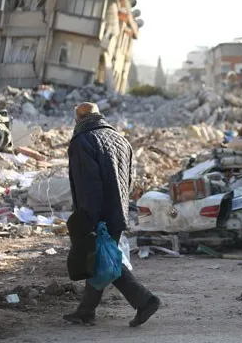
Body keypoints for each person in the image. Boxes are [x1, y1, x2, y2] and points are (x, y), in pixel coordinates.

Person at [63, 102, 161, 326]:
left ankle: (145, 301)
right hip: (118, 211)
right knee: (100, 260)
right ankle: (86, 311)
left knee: (106, 262)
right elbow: (128, 181)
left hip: (97, 214)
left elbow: (88, 184)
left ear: (78, 120)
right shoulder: (120, 139)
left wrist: (88, 219)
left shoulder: (82, 142)